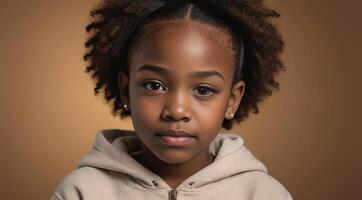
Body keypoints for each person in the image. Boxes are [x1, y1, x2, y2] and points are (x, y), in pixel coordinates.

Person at [51, 0, 291, 199]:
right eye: (155, 85)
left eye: (203, 90)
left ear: (232, 100)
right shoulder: (81, 192)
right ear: (126, 91)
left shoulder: (263, 194)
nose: (176, 110)